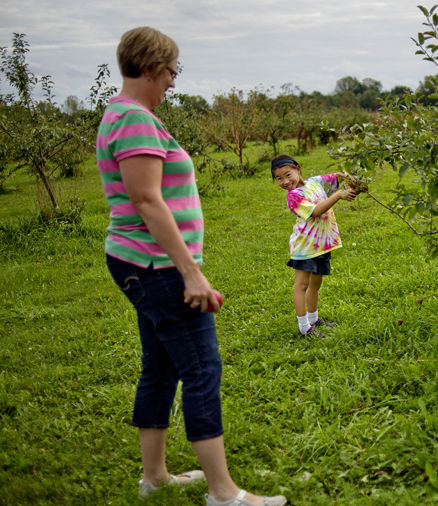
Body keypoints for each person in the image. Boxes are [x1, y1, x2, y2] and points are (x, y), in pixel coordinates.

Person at [96, 26, 286, 506]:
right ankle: (224, 494)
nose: (173, 83)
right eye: (171, 71)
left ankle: (154, 478)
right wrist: (191, 272)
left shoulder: (125, 115)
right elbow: (146, 199)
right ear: (151, 66)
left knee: (159, 367)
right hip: (157, 266)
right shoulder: (134, 119)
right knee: (202, 370)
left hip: (140, 261)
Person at [271, 155, 358, 337]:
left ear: (298, 169)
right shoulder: (294, 197)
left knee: (315, 284)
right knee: (301, 285)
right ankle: (304, 328)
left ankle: (313, 318)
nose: (285, 181)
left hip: (321, 245)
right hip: (305, 248)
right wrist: (338, 195)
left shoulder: (315, 182)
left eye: (288, 175)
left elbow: (337, 177)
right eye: (279, 179)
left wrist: (352, 178)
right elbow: (316, 212)